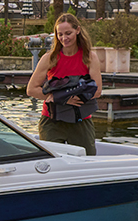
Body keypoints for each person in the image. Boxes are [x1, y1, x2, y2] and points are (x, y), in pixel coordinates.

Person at [26, 12, 103, 155]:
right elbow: (31, 90)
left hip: (81, 121)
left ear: (77, 30)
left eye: (68, 33)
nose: (64, 38)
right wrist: (62, 98)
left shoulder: (89, 57)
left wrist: (72, 96)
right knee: (52, 163)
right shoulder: (49, 58)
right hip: (51, 121)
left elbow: (97, 90)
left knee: (87, 161)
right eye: (60, 34)